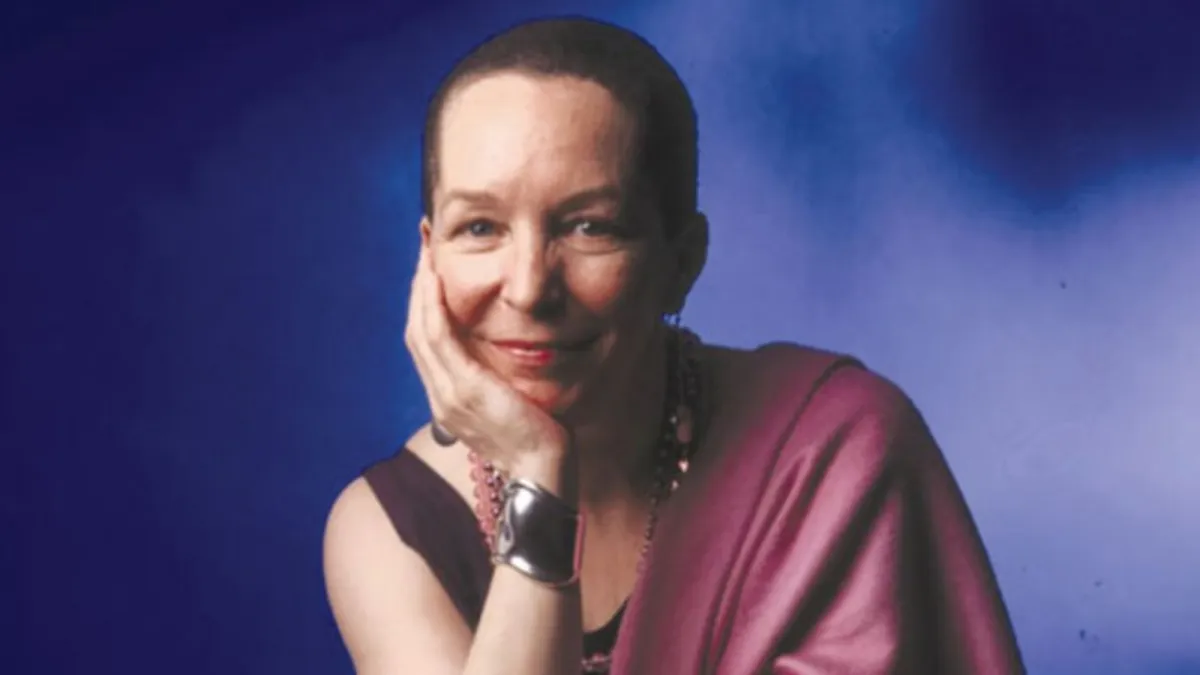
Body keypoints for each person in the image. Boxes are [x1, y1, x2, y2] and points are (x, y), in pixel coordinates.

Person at [322, 15, 1026, 675]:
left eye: (590, 227)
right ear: (429, 255)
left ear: (681, 259)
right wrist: (541, 475)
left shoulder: (836, 450)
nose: (530, 288)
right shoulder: (386, 528)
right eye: (479, 227)